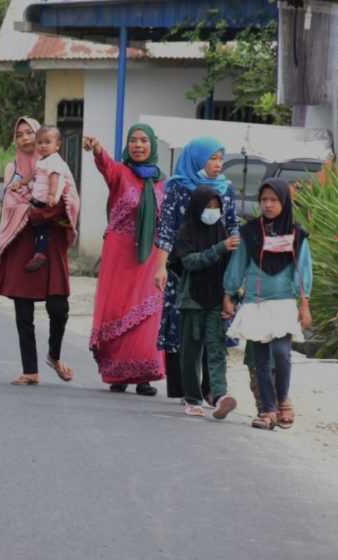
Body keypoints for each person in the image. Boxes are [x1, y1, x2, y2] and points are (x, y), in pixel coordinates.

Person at [0, 116, 81, 386]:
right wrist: (34, 212)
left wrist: (46, 211)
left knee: (59, 307)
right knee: (23, 310)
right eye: (20, 135)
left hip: (51, 242)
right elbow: (10, 203)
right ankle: (30, 370)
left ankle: (54, 355)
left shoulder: (57, 166)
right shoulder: (13, 169)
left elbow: (71, 200)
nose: (26, 138)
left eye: (31, 132)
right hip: (22, 241)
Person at [154, 137, 239, 403]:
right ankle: (186, 390)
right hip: (185, 266)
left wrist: (237, 272)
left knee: (214, 330)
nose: (217, 164)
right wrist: (161, 267)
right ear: (196, 159)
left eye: (220, 159)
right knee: (185, 329)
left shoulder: (226, 189)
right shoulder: (178, 186)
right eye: (212, 158)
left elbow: (233, 227)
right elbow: (167, 228)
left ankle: (213, 390)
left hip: (217, 269)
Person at [223, 178, 312, 430]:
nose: (268, 204)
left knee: (282, 354)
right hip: (255, 303)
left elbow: (302, 269)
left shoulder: (296, 233)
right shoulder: (250, 232)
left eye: (274, 200)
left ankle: (283, 399)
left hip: (284, 303)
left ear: (284, 201)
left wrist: (304, 303)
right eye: (264, 200)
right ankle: (268, 411)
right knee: (260, 360)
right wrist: (228, 294)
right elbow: (238, 264)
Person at [84, 124, 166, 396]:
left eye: (144, 140)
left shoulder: (164, 182)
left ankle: (144, 377)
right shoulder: (120, 173)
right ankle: (118, 374)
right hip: (120, 254)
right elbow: (105, 164)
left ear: (152, 145)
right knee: (118, 311)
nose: (138, 145)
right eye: (133, 140)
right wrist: (96, 148)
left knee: (147, 315)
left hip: (150, 258)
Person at [170, 185, 240, 418]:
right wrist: (219, 248)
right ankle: (192, 397)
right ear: (197, 207)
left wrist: (233, 297)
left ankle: (220, 395)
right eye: (207, 206)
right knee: (191, 352)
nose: (212, 211)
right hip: (192, 300)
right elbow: (190, 262)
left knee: (217, 348)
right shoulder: (186, 233)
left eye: (216, 207)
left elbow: (232, 269)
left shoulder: (223, 233)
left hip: (216, 300)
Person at [8, 125, 75, 272]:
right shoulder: (42, 160)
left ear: (57, 145)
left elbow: (54, 178)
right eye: (39, 143)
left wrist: (51, 194)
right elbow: (32, 175)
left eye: (47, 142)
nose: (43, 146)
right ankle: (39, 250)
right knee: (39, 227)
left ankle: (40, 252)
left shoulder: (54, 160)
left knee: (40, 227)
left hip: (45, 201)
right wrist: (19, 183)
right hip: (38, 198)